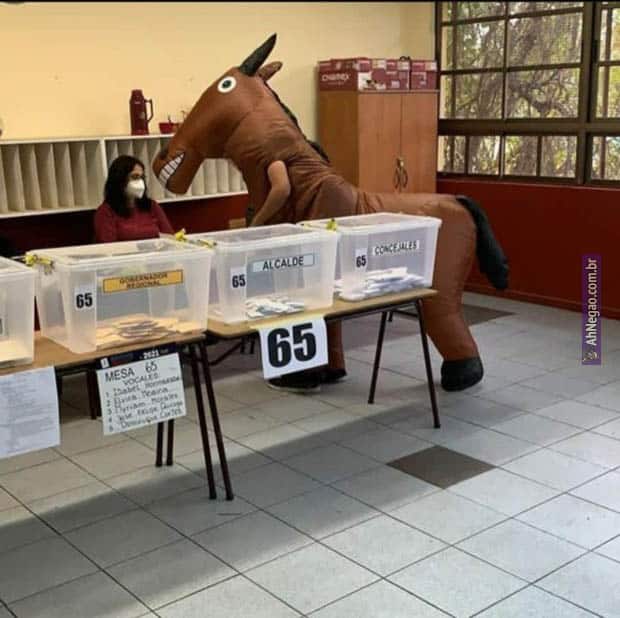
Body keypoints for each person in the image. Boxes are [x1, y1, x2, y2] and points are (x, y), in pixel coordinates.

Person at [94, 155, 174, 242]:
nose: (140, 182)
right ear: (120, 179)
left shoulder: (151, 206)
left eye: (142, 177)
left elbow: (170, 238)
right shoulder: (106, 212)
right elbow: (108, 246)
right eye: (135, 177)